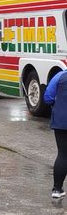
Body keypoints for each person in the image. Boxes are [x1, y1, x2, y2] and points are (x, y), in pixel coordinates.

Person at [44, 69, 67, 199]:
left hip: (61, 121)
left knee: (63, 155)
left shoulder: (60, 76)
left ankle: (57, 190)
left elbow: (47, 98)